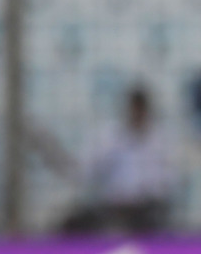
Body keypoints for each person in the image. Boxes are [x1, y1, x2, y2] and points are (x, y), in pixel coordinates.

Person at [60, 86, 176, 235]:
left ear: (146, 111)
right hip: (112, 207)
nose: (136, 114)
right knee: (73, 224)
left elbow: (168, 182)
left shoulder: (160, 141)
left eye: (139, 110)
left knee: (151, 220)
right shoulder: (110, 136)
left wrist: (141, 194)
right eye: (133, 109)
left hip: (146, 210)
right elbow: (87, 171)